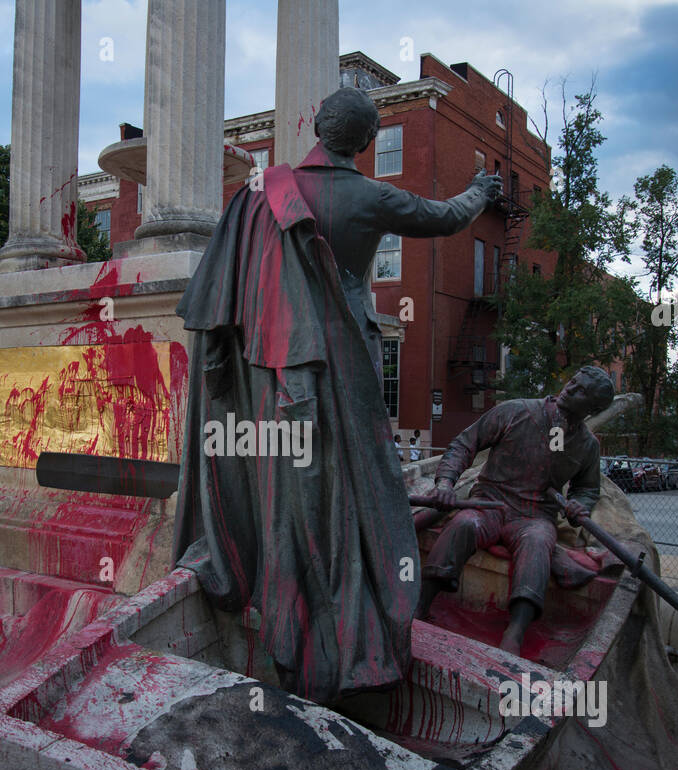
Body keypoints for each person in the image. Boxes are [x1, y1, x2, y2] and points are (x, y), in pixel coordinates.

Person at [172, 87, 502, 704]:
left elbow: (219, 296)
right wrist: (481, 191)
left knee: (290, 490)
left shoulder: (261, 194)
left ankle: (290, 617)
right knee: (352, 488)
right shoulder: (370, 197)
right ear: (369, 140)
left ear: (316, 127)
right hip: (347, 358)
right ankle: (350, 624)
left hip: (281, 372)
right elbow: (446, 217)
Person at [417, 366, 615, 655]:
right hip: (488, 504)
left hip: (534, 516)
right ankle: (422, 603)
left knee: (538, 542)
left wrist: (579, 506)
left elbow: (586, 489)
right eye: (573, 382)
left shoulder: (586, 446)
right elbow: (464, 444)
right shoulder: (515, 411)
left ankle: (516, 631)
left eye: (582, 391)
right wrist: (445, 483)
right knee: (464, 524)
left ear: (593, 408)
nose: (571, 389)